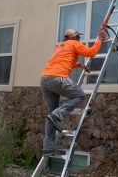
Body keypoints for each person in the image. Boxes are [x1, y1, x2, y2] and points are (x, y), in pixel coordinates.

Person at [40, 28, 107, 156]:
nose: (80, 40)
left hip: (44, 80)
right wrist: (99, 39)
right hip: (57, 78)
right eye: (78, 37)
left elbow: (66, 61)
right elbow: (91, 52)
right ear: (75, 37)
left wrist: (80, 65)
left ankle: (48, 148)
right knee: (80, 95)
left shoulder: (61, 46)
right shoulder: (74, 43)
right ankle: (58, 114)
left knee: (51, 115)